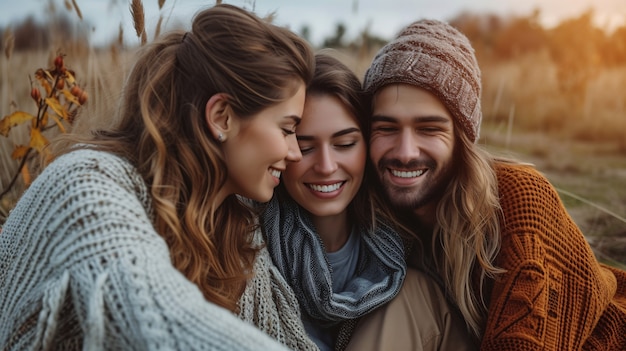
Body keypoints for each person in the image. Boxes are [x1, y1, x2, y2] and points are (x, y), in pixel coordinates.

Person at [0, 4, 317, 350]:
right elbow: (162, 321)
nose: (295, 152)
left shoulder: (234, 224)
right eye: (287, 129)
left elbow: (284, 337)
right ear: (222, 117)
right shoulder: (87, 187)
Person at [361, 18, 626, 350]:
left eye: (429, 129)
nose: (404, 152)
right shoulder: (369, 206)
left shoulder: (520, 198)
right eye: (386, 127)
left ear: (462, 139)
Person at [261, 52, 474, 351]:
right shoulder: (254, 245)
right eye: (305, 147)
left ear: (368, 144)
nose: (325, 166)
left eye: (345, 144)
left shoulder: (406, 239)